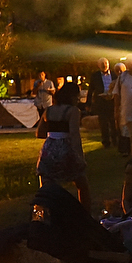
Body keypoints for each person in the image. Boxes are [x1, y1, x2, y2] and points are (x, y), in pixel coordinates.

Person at [36, 79, 90, 209]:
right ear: (72, 96)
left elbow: (40, 133)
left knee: (46, 184)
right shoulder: (73, 111)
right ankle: (85, 213)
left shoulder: (48, 110)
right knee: (81, 183)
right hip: (65, 148)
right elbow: (74, 135)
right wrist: (80, 156)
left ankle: (44, 211)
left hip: (49, 148)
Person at [88, 57, 116, 148]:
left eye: (106, 64)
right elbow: (91, 90)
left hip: (112, 101)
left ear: (108, 64)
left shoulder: (114, 74)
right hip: (101, 102)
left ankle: (115, 140)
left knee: (113, 122)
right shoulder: (95, 76)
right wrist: (88, 103)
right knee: (103, 123)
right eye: (102, 64)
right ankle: (106, 142)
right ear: (98, 65)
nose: (104, 66)